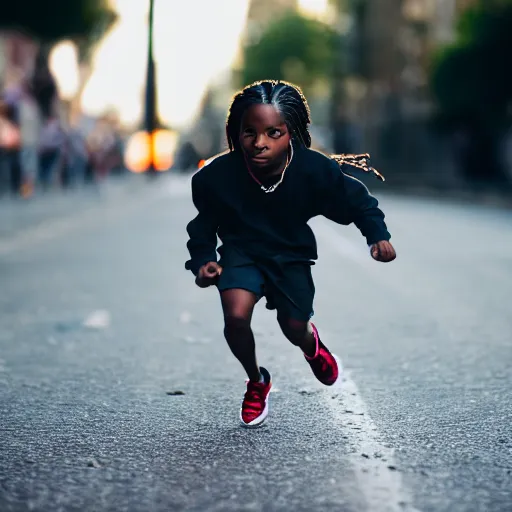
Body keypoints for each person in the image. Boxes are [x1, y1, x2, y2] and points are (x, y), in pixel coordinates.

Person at [185, 80, 396, 428]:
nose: (260, 142)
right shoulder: (215, 178)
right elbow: (203, 226)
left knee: (293, 325)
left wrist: (377, 237)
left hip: (290, 257)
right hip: (242, 252)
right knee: (235, 316)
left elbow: (358, 201)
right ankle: (256, 381)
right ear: (235, 132)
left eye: (273, 132)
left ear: (291, 133)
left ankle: (312, 347)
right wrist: (205, 261)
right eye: (249, 132)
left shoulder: (313, 170)